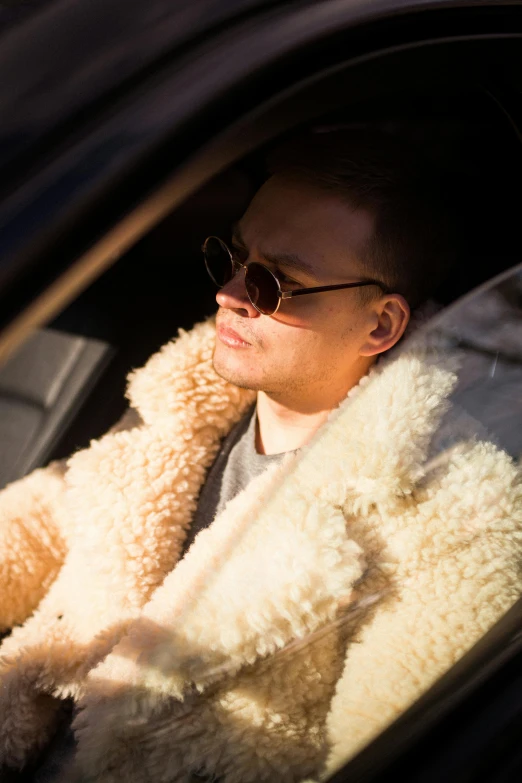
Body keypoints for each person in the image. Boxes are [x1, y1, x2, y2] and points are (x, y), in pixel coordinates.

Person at [0, 129, 520, 783]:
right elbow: (55, 512)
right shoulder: (183, 401)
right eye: (232, 256)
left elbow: (377, 754)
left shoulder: (448, 513)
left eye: (274, 283)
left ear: (380, 325)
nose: (229, 293)